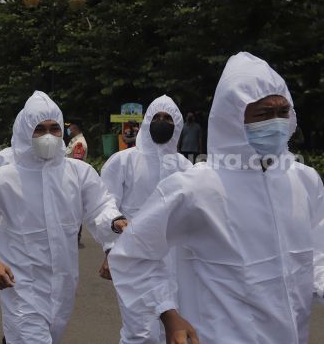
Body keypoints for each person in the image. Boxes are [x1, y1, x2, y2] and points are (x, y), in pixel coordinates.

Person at [109, 52, 324, 344]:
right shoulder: (197, 187)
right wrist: (168, 314)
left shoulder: (303, 181)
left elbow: (316, 254)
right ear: (234, 117)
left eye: (282, 112)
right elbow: (133, 255)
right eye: (263, 114)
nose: (276, 123)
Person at [0, 91, 125, 344]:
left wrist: (113, 222)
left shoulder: (79, 173)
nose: (48, 135)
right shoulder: (5, 177)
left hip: (63, 285)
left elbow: (100, 205)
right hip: (20, 284)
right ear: (24, 132)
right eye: (39, 129)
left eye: (54, 128)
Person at [99, 95, 192, 344]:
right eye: (157, 118)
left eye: (168, 119)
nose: (162, 123)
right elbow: (105, 204)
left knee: (171, 329)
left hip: (176, 260)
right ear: (147, 121)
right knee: (140, 331)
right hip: (134, 257)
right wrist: (110, 249)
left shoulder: (185, 167)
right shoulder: (123, 161)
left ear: (178, 125)